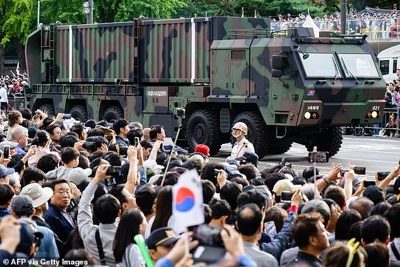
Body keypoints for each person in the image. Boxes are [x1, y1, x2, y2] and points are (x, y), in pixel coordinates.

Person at [78, 164, 121, 266]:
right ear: (119, 212)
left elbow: (83, 204)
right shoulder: (127, 233)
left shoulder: (89, 234)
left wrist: (96, 179)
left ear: (95, 214)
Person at [10, 195, 59, 259]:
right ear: (33, 212)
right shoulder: (47, 232)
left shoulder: (7, 234)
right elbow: (54, 259)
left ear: (12, 212)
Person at [43, 179, 75, 243]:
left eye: (67, 192)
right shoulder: (50, 216)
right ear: (52, 195)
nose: (65, 195)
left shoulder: (70, 211)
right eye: (61, 192)